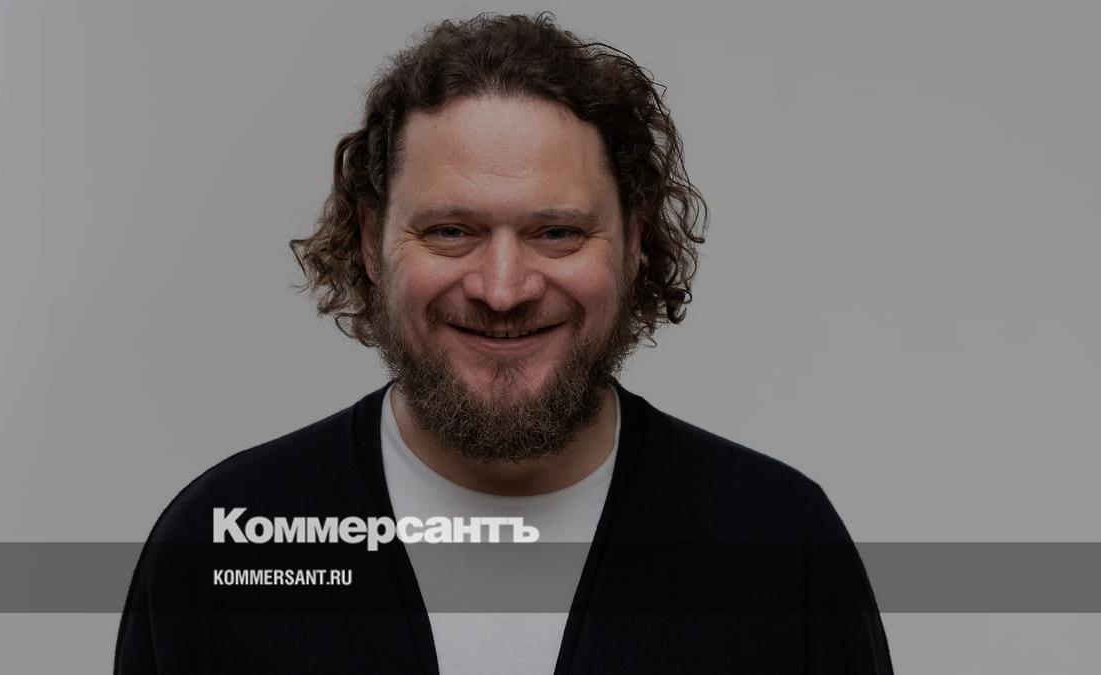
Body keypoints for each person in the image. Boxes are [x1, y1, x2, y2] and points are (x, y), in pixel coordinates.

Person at [115, 13, 892, 674]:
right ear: (371, 241)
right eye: (451, 230)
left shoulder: (780, 546)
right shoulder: (224, 545)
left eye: (557, 232)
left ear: (633, 243)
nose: (502, 288)